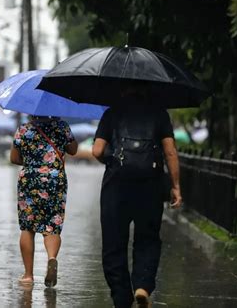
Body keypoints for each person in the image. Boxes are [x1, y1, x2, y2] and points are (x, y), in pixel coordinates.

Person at [92, 88, 182, 308]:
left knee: (114, 243)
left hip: (116, 185)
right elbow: (170, 152)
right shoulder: (159, 114)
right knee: (148, 239)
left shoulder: (112, 113)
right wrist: (175, 186)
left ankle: (122, 299)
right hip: (150, 184)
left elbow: (96, 150)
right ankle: (142, 286)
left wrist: (113, 163)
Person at [10, 115, 78, 287]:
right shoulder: (62, 127)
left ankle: (28, 275)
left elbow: (14, 158)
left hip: (30, 180)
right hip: (55, 179)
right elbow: (73, 150)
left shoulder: (24, 129)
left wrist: (34, 163)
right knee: (52, 225)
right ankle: (52, 258)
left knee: (27, 227)